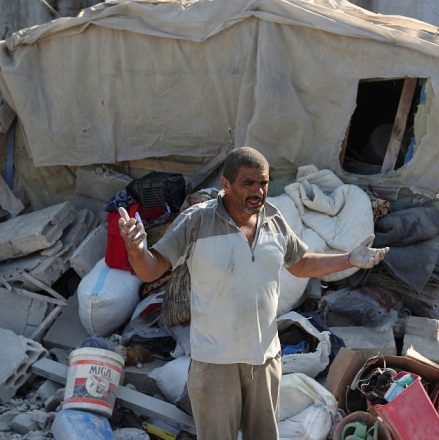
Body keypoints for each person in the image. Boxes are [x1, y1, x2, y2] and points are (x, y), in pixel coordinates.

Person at [118, 146, 388, 440]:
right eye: (248, 182)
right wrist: (136, 250)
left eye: (264, 183)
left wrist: (349, 258)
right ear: (226, 184)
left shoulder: (274, 220)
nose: (258, 191)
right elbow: (152, 269)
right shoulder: (197, 222)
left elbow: (300, 263)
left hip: (264, 359)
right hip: (215, 362)